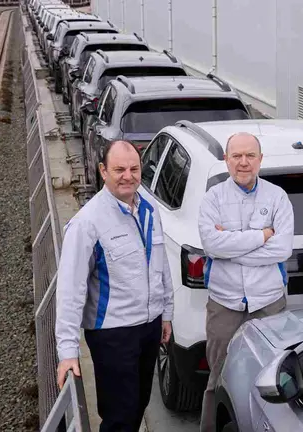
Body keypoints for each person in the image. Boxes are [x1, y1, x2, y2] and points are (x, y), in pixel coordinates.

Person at [54, 140, 174, 432]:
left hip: (149, 327)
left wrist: (166, 312)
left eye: (134, 169)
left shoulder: (148, 209)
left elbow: (161, 265)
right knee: (119, 414)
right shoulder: (87, 223)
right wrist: (67, 352)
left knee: (139, 403)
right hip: (113, 335)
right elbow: (70, 290)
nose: (128, 176)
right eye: (119, 169)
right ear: (103, 171)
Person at [197, 132, 294, 432]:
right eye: (236, 156)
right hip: (224, 305)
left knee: (271, 376)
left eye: (250, 155)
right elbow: (213, 245)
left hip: (269, 304)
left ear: (260, 160)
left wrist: (232, 247)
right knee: (218, 375)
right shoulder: (213, 198)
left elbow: (283, 249)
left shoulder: (277, 197)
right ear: (226, 160)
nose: (243, 162)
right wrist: (260, 236)